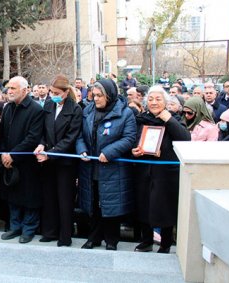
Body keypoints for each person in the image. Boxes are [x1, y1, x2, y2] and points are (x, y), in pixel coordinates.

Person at [76, 79, 136, 251]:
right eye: (93, 95)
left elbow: (129, 138)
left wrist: (109, 152)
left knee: (110, 205)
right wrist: (82, 150)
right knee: (93, 204)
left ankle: (111, 239)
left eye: (99, 96)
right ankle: (94, 237)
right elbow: (80, 135)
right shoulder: (88, 111)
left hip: (112, 168)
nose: (95, 99)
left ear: (109, 95)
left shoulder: (125, 113)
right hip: (91, 168)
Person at [132, 85, 191, 254]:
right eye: (150, 99)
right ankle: (146, 241)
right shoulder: (141, 119)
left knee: (165, 207)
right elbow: (134, 139)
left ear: (165, 102)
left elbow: (185, 138)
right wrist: (134, 150)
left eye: (158, 99)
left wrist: (168, 119)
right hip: (144, 169)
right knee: (144, 205)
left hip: (166, 172)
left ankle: (165, 243)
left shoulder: (174, 118)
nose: (154, 102)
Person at [33, 75, 82, 247]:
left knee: (64, 199)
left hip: (64, 163)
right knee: (49, 197)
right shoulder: (48, 105)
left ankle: (65, 235)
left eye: (56, 93)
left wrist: (51, 153)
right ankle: (49, 231)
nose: (52, 95)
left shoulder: (75, 109)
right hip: (47, 160)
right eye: (51, 92)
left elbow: (70, 138)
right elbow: (43, 131)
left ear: (66, 92)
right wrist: (41, 144)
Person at [0, 76, 44, 244]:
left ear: (25, 91)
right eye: (8, 88)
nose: (9, 91)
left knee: (29, 198)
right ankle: (15, 227)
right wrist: (4, 154)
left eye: (13, 88)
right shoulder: (8, 108)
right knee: (12, 196)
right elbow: (2, 134)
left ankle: (28, 229)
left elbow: (32, 138)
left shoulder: (36, 110)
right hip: (9, 161)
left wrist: (13, 155)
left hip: (27, 163)